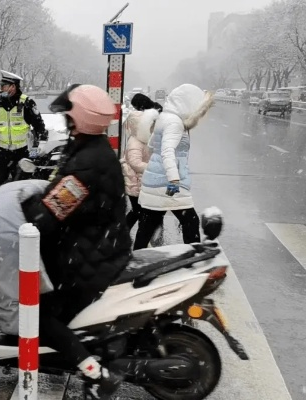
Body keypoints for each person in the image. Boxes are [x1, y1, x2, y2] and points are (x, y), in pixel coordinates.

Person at [19, 85, 132, 399]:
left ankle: (96, 374)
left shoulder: (85, 166)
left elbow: (51, 213)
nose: (65, 120)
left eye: (68, 114)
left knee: (35, 313)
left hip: (86, 261)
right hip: (97, 249)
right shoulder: (91, 150)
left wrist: (24, 212)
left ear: (79, 117)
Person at [134, 84, 214, 250]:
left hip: (156, 179)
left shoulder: (164, 117)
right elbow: (167, 151)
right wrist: (174, 179)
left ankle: (136, 260)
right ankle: (194, 258)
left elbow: (152, 145)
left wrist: (153, 170)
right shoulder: (174, 122)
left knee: (149, 223)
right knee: (190, 220)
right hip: (168, 183)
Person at [0, 70, 48, 187]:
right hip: (2, 152)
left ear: (13, 86)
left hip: (22, 152)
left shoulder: (26, 102)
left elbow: (39, 125)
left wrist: (41, 142)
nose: (1, 89)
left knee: (23, 186)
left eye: (3, 86)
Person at [121, 107, 160, 230]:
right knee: (139, 212)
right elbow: (135, 162)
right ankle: (122, 234)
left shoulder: (142, 140)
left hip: (139, 182)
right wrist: (153, 167)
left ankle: (122, 234)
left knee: (138, 212)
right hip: (135, 182)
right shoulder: (135, 142)